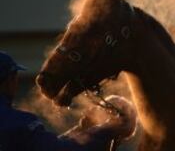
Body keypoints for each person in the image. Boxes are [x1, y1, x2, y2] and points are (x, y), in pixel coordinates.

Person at [0, 51, 135, 151]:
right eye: (14, 77)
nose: (16, 82)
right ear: (8, 81)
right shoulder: (19, 123)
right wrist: (109, 128)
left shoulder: (13, 123)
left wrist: (81, 129)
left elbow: (48, 145)